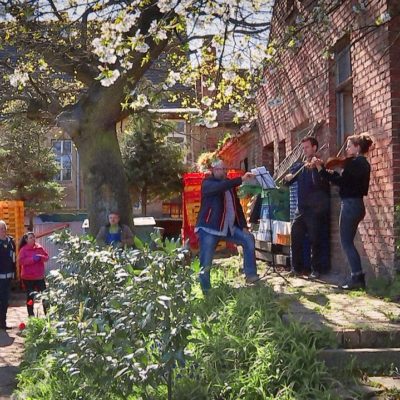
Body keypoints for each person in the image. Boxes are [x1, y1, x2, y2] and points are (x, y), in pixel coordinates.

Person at [312, 133, 373, 290]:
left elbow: (340, 181)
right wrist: (326, 170)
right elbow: (345, 179)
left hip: (350, 205)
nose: (346, 148)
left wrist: (321, 170)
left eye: (349, 145)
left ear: (357, 147)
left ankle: (357, 278)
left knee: (346, 243)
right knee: (349, 242)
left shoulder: (354, 163)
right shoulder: (362, 163)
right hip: (358, 205)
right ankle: (357, 277)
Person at [195, 159, 259, 293]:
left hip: (228, 228)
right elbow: (221, 187)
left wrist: (243, 226)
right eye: (221, 169)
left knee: (248, 239)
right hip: (209, 228)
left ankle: (251, 275)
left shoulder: (228, 185)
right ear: (213, 170)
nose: (224, 172)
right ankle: (205, 290)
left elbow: (237, 207)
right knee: (206, 260)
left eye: (225, 169)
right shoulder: (207, 183)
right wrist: (241, 179)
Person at [284, 137, 330, 279]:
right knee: (296, 236)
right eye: (303, 148)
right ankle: (296, 268)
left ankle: (316, 270)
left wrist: (317, 168)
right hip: (301, 208)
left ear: (315, 148)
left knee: (315, 239)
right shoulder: (301, 167)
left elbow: (321, 185)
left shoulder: (319, 165)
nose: (305, 150)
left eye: (307, 147)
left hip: (315, 209)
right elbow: (288, 184)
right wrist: (288, 178)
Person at [18, 232, 49, 317]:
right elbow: (21, 261)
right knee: (30, 297)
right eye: (31, 238)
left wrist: (41, 257)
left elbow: (47, 257)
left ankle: (48, 315)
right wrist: (32, 259)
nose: (33, 239)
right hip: (28, 278)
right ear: (26, 240)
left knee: (45, 296)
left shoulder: (39, 247)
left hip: (39, 277)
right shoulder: (23, 250)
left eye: (33, 237)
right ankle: (31, 315)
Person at [0, 220, 16, 330]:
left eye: (3, 228)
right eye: (0, 229)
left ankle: (3, 323)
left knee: (5, 301)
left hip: (8, 277)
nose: (2, 231)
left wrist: (14, 272)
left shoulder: (11, 241)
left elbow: (13, 258)